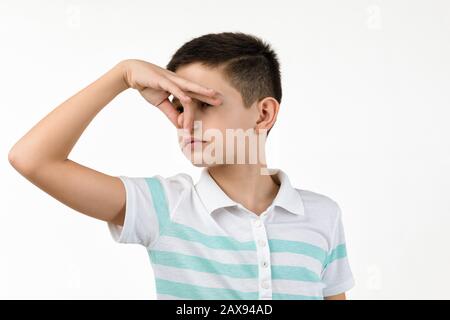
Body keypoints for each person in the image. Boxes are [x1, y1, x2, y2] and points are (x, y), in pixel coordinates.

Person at [8, 32, 354, 300]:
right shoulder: (164, 206)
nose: (185, 122)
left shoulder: (323, 215)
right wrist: (122, 75)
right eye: (178, 105)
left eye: (203, 105)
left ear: (263, 113)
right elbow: (32, 159)